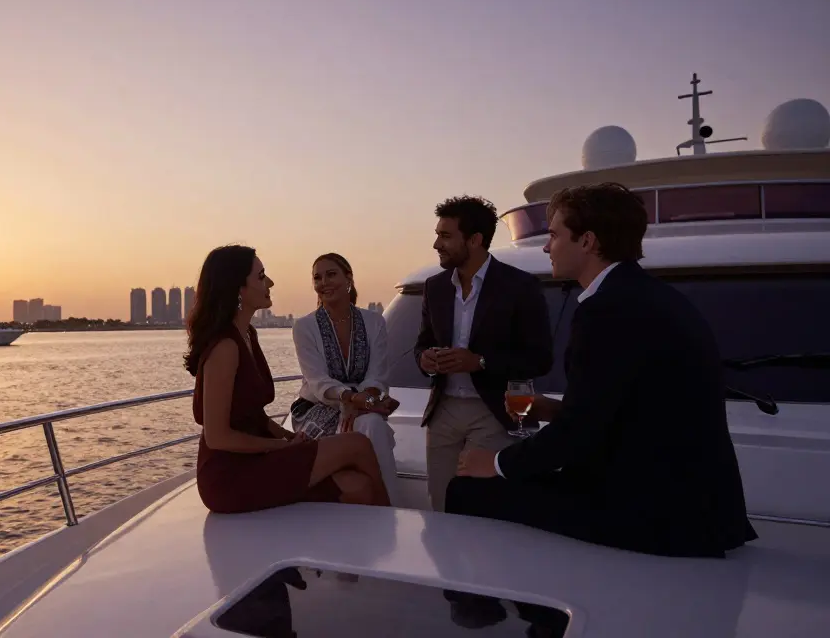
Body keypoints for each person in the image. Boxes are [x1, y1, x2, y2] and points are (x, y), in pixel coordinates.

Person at [450, 182, 758, 559]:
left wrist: (496, 463)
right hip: (698, 506)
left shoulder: (606, 311)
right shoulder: (653, 297)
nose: (547, 247)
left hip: (652, 512)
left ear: (588, 241)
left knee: (466, 489)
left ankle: (502, 596)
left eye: (554, 235)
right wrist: (555, 410)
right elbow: (630, 409)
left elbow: (578, 435)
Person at [189, 245, 390, 512]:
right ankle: (392, 524)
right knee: (357, 445)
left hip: (257, 458)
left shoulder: (247, 334)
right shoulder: (225, 348)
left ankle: (372, 528)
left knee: (359, 488)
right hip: (229, 475)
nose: (270, 283)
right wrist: (280, 447)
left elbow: (253, 415)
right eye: (261, 276)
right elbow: (218, 438)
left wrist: (288, 436)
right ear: (238, 288)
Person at [413, 195, 553, 511]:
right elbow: (422, 344)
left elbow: (540, 358)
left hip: (494, 410)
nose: (436, 244)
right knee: (440, 504)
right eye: (437, 235)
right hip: (443, 411)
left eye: (445, 236)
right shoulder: (434, 287)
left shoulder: (520, 286)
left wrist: (479, 362)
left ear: (475, 240)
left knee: (479, 506)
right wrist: (426, 359)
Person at [292, 253, 404, 507]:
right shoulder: (304, 327)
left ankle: (388, 507)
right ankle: (383, 506)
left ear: (349, 279)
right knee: (368, 424)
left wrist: (363, 400)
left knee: (372, 424)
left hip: (365, 404)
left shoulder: (374, 322)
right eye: (317, 278)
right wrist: (350, 398)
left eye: (331, 274)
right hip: (317, 408)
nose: (323, 282)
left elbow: (377, 374)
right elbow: (317, 381)